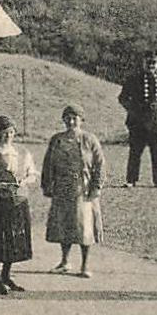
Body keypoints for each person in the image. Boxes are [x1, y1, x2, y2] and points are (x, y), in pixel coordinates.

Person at [42, 104, 106, 277]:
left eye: (74, 118)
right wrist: (47, 185)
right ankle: (64, 262)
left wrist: (96, 187)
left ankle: (85, 265)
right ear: (63, 120)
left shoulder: (89, 140)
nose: (71, 122)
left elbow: (99, 165)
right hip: (62, 189)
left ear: (81, 120)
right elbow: (48, 164)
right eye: (68, 118)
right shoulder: (57, 140)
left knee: (84, 227)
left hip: (83, 189)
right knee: (64, 225)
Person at [0, 115, 37, 294]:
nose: (8, 136)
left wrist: (24, 181)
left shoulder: (23, 153)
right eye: (4, 133)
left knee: (13, 240)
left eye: (11, 132)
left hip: (18, 202)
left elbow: (32, 174)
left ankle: (6, 274)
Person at [118, 51, 157, 188]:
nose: (151, 65)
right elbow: (123, 98)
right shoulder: (133, 79)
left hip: (156, 122)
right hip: (138, 122)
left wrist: (156, 111)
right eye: (148, 62)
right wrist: (135, 110)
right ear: (143, 62)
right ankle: (131, 180)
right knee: (135, 152)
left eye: (154, 62)